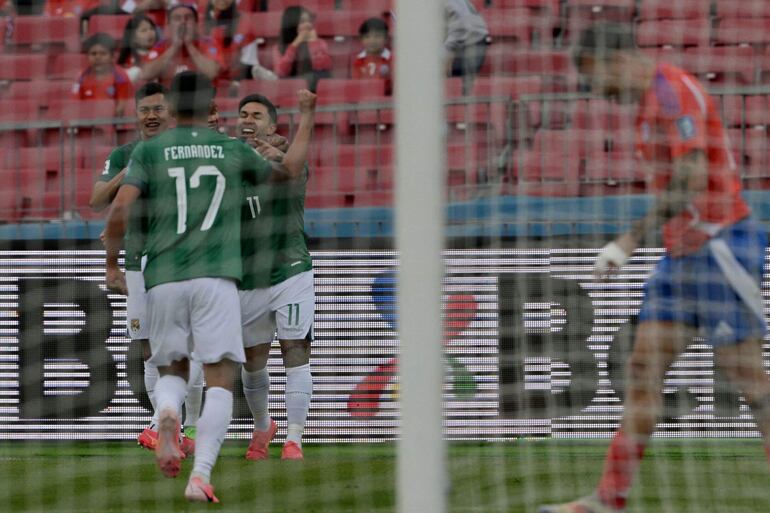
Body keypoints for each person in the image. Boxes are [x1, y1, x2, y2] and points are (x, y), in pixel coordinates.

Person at [539, 22, 770, 513]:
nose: (598, 91)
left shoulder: (672, 93)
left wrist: (626, 242)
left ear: (613, 61)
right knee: (642, 369)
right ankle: (609, 499)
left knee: (751, 384)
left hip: (721, 245)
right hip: (681, 257)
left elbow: (690, 179)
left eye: (595, 78)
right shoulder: (648, 106)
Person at [104, 71, 316, 502]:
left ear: (171, 108)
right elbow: (290, 168)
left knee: (171, 369)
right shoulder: (229, 150)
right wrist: (308, 116)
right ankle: (200, 475)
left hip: (162, 276)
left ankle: (167, 416)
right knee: (220, 377)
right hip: (217, 276)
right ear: (209, 107)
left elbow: (119, 210)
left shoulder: (148, 150)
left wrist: (112, 264)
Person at [89, 82, 203, 454]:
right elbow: (96, 201)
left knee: (186, 345)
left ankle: (176, 426)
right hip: (138, 262)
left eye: (158, 109)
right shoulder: (123, 154)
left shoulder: (183, 151)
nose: (151, 115)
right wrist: (132, 168)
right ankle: (166, 424)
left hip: (180, 259)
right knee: (147, 345)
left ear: (170, 113)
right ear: (136, 114)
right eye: (145, 110)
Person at [235, 94, 314, 460]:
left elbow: (294, 170)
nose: (247, 119)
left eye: (256, 115)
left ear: (272, 125)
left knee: (295, 349)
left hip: (291, 269)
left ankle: (295, 439)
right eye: (243, 114)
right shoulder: (227, 163)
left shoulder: (288, 160)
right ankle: (264, 425)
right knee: (253, 363)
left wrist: (280, 154)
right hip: (248, 277)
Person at [141, 3, 224, 86]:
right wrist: (175, 46)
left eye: (188, 18)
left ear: (196, 24)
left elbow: (212, 73)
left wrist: (189, 45)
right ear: (169, 25)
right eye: (177, 18)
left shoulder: (209, 43)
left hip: (201, 96)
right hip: (170, 97)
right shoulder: (161, 45)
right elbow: (146, 74)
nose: (183, 22)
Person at [203, 0, 276, 87]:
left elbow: (250, 61)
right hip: (208, 76)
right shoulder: (200, 22)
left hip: (237, 77)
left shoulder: (243, 21)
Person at [72, 33, 134, 117]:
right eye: (93, 54)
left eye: (103, 53)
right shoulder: (80, 77)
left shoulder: (120, 76)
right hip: (86, 122)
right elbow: (75, 106)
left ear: (112, 57)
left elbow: (122, 107)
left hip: (114, 123)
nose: (98, 57)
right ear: (87, 57)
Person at [274, 5, 331, 92]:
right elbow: (282, 72)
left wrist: (314, 43)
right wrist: (295, 44)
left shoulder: (320, 43)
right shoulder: (279, 47)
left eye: (309, 21)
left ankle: (270, 78)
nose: (308, 25)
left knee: (314, 75)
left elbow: (324, 67)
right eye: (302, 22)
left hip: (313, 86)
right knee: (281, 79)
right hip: (290, 87)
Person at [444, 0, 489, 92]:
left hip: (473, 41)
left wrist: (447, 51)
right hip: (459, 38)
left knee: (458, 88)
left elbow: (462, 26)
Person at [117, 14, 160, 84]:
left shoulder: (162, 53)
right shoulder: (126, 59)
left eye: (151, 29)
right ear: (132, 37)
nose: (150, 33)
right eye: (144, 30)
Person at [351, 17, 393, 86]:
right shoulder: (358, 60)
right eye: (367, 37)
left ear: (386, 39)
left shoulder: (393, 59)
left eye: (377, 36)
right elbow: (357, 83)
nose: (372, 41)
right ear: (361, 39)